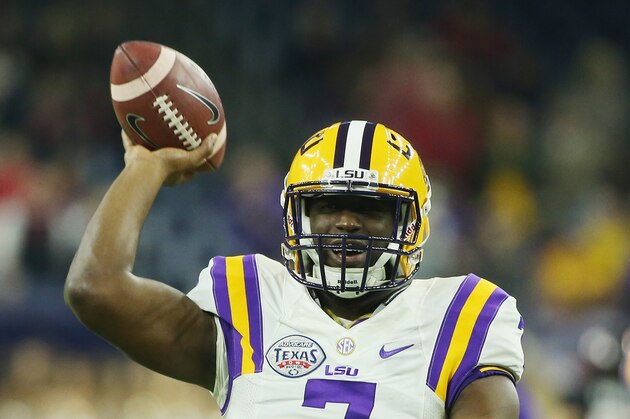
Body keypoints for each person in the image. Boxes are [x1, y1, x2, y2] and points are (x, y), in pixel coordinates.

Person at [65, 120, 524, 418]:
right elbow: (94, 287)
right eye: (328, 206)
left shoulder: (461, 312)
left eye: (369, 209)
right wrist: (147, 165)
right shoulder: (252, 299)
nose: (346, 222)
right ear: (296, 216)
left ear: (411, 223)